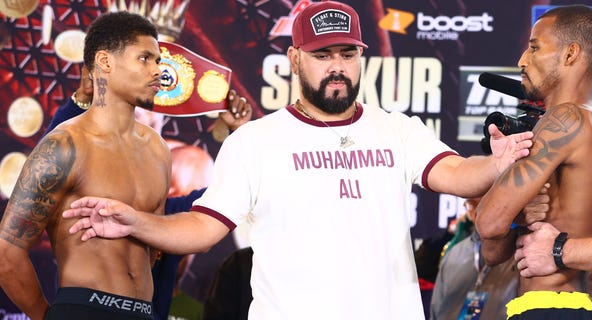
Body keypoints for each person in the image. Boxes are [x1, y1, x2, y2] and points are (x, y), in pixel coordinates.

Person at [61, 1, 534, 319]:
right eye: (322, 55)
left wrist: (497, 163)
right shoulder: (255, 142)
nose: (337, 66)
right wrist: (134, 222)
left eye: (347, 54)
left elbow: (456, 174)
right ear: (294, 58)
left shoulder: (397, 129)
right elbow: (203, 229)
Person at [39, 64, 251, 319]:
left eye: (148, 115)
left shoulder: (167, 213)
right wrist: (81, 100)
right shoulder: (83, 195)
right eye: (131, 112)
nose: (139, 124)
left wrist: (241, 133)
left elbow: (229, 191)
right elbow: (51, 158)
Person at [0, 11, 168, 320]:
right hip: (83, 309)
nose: (158, 70)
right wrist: (46, 317)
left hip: (145, 311)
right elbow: (6, 252)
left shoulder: (158, 149)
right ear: (105, 61)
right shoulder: (64, 145)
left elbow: (154, 248)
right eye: (145, 58)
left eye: (158, 60)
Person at [473, 5, 592, 319]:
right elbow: (493, 252)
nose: (522, 60)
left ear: (570, 54)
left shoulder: (568, 119)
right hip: (549, 306)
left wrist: (506, 205)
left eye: (534, 48)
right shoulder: (584, 122)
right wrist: (519, 213)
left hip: (555, 307)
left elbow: (487, 221)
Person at [430, 186, 548, 320]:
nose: (476, 211)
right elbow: (436, 309)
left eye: (484, 204)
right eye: (471, 204)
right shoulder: (455, 252)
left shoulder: (525, 250)